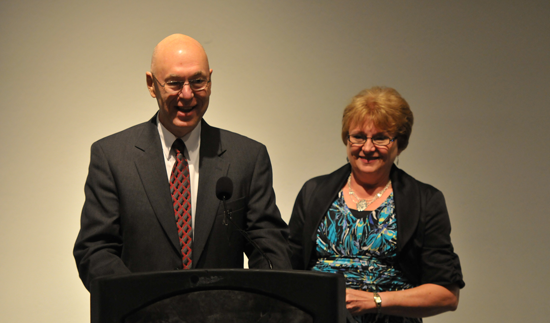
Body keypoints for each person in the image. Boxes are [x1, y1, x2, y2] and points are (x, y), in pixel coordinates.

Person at [74, 34, 291, 291]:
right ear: (151, 84)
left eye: (198, 81)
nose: (187, 95)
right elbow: (95, 251)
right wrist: (140, 304)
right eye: (175, 83)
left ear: (210, 80)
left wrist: (259, 306)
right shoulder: (112, 157)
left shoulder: (248, 158)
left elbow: (269, 249)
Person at [288, 86, 464, 322]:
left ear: (399, 143)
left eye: (380, 138)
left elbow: (446, 294)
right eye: (358, 136)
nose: (367, 147)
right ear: (346, 138)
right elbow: (288, 274)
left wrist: (375, 301)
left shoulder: (425, 201)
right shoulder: (314, 192)